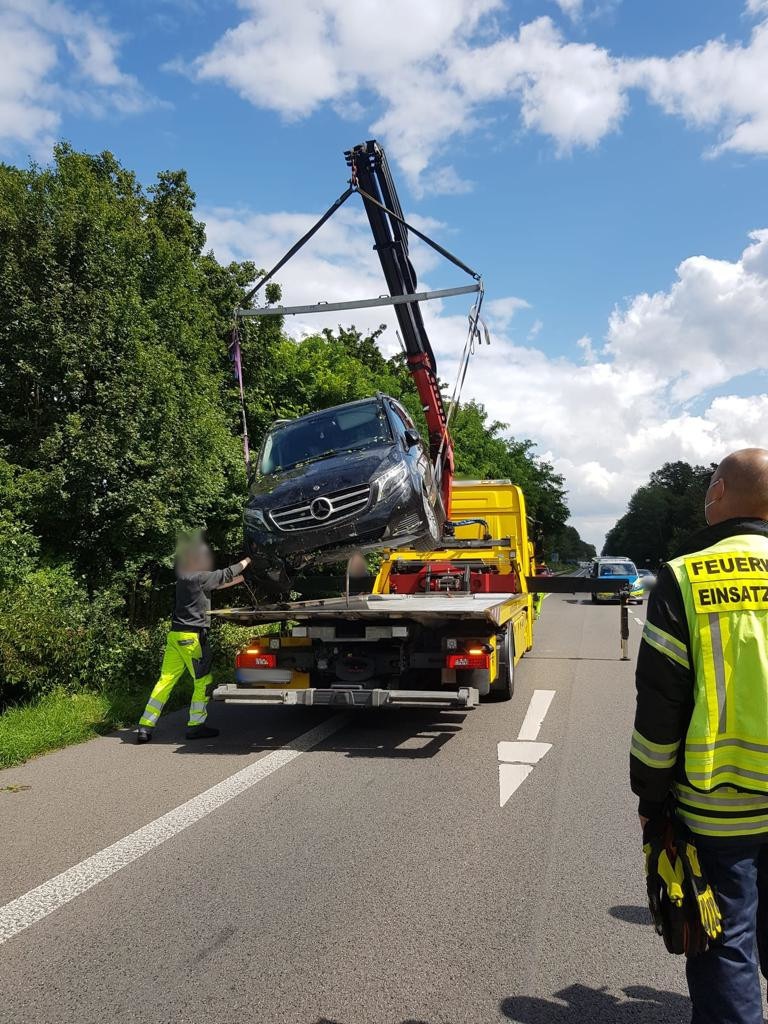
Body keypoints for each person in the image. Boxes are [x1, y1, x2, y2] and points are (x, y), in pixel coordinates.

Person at [630, 448, 768, 1024]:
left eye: (711, 483)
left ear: (719, 493)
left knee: (727, 944)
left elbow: (662, 708)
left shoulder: (685, 577)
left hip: (720, 805)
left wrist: (651, 798)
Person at [137, 539, 252, 744]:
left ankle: (145, 726)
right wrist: (247, 561)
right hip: (192, 638)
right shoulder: (200, 576)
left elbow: (216, 584)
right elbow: (224, 574)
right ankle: (196, 726)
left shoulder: (184, 577)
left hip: (175, 636)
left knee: (166, 680)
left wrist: (241, 578)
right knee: (203, 681)